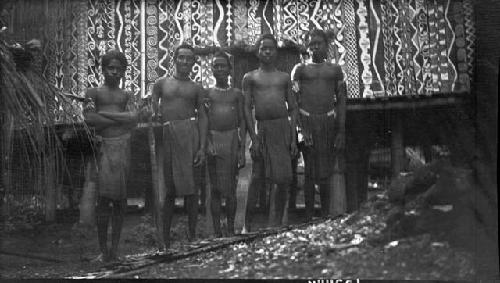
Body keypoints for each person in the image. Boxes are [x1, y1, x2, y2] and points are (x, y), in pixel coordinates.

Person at [83, 50, 138, 262]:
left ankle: (115, 249)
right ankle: (103, 250)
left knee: (121, 200)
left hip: (123, 147)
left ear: (124, 71)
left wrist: (104, 114)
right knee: (104, 199)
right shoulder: (93, 93)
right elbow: (89, 118)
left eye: (119, 69)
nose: (114, 72)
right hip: (104, 147)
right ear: (103, 69)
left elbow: (133, 117)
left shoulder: (127, 95)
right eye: (110, 68)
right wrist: (119, 119)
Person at [152, 43, 208, 250]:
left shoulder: (196, 88)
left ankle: (192, 237)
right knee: (170, 189)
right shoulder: (161, 83)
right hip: (168, 137)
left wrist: (202, 147)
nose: (185, 61)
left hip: (190, 137)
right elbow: (153, 107)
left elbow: (202, 116)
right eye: (181, 57)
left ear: (194, 62)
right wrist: (153, 114)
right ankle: (165, 240)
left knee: (192, 190)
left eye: (189, 58)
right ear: (173, 59)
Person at [243, 34, 298, 231]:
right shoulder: (250, 78)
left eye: (271, 48)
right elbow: (247, 108)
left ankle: (275, 224)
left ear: (276, 52)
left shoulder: (283, 77)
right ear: (257, 52)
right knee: (257, 176)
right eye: (263, 48)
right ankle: (247, 224)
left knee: (282, 178)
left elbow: (293, 108)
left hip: (282, 127)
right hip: (262, 127)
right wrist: (254, 137)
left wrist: (292, 138)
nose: (267, 51)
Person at [291, 29, 346, 220]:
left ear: (327, 45)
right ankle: (307, 216)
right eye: (311, 43)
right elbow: (294, 102)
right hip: (306, 121)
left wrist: (341, 130)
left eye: (319, 43)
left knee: (326, 170)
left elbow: (341, 100)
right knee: (309, 170)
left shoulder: (335, 70)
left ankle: (324, 215)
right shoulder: (300, 70)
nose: (315, 46)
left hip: (328, 121)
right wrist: (301, 129)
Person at [205, 51, 246, 237]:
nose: (219, 69)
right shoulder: (208, 94)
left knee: (230, 188)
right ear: (212, 70)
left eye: (223, 65)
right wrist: (207, 143)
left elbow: (242, 122)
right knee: (215, 188)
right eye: (216, 66)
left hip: (231, 140)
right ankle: (217, 231)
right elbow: (203, 120)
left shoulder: (237, 94)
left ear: (230, 69)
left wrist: (241, 148)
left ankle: (230, 228)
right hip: (214, 140)